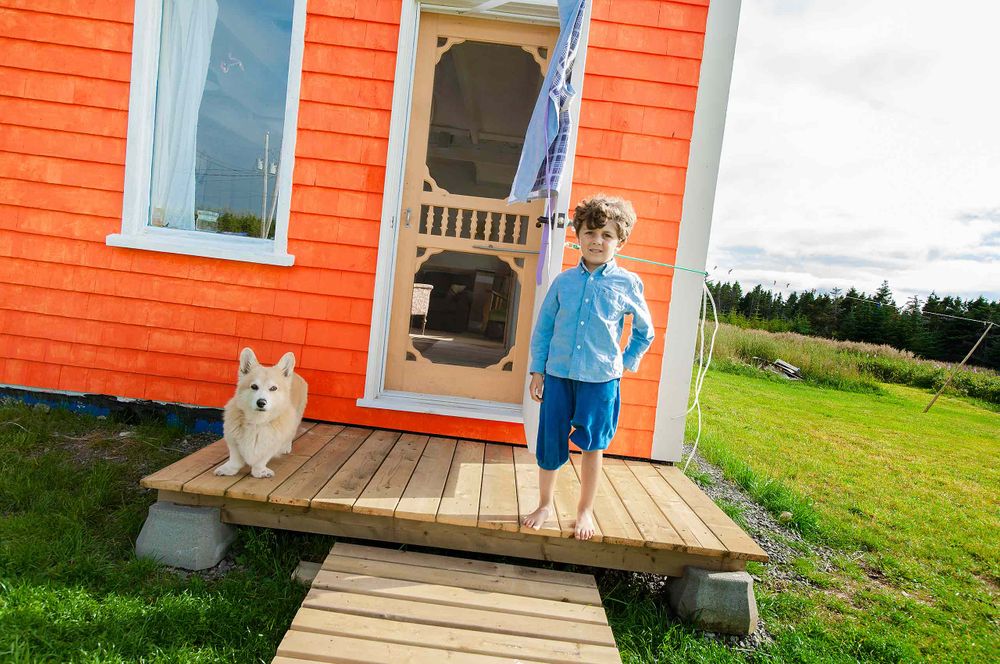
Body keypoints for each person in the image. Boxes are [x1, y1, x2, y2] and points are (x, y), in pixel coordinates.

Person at [522, 194, 654, 540]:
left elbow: (645, 331)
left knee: (593, 445)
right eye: (590, 233)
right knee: (550, 442)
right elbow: (544, 329)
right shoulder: (563, 282)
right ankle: (544, 504)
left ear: (620, 242)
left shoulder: (627, 283)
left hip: (600, 381)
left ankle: (584, 511)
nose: (597, 241)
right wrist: (537, 370)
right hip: (558, 376)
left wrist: (623, 362)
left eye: (606, 235)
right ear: (577, 236)